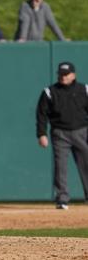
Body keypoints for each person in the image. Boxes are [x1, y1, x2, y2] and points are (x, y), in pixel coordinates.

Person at [36, 62, 88, 210]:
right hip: (60, 133)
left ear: (73, 75)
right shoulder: (50, 91)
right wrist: (41, 134)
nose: (63, 77)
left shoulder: (84, 89)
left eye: (65, 74)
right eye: (60, 74)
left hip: (82, 131)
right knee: (60, 167)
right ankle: (62, 199)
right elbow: (41, 114)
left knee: (86, 163)